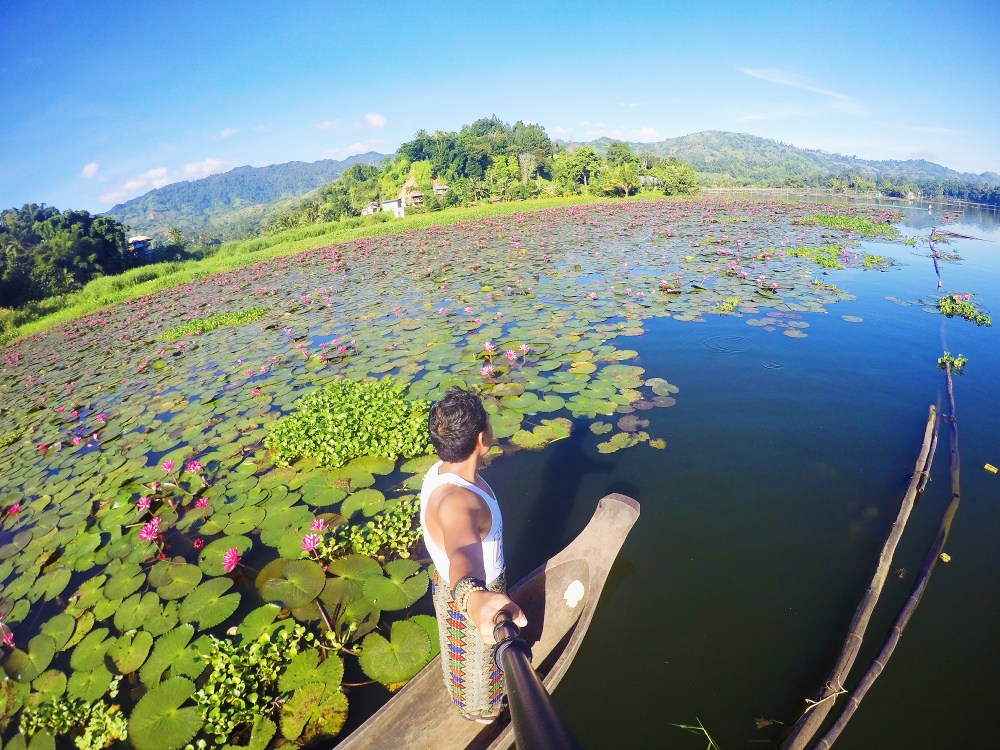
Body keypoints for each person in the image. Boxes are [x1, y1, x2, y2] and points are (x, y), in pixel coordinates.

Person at [419, 387, 527, 723]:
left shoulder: (441, 470)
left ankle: (470, 701)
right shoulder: (457, 502)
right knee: (480, 663)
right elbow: (462, 549)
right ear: (482, 439)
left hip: (446, 583)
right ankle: (484, 714)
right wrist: (475, 597)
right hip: (470, 592)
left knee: (460, 660)